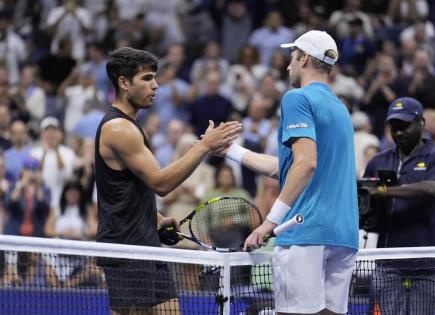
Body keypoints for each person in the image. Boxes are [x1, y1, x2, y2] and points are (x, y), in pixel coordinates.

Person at [217, 30, 359, 314]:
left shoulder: (296, 99)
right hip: (343, 234)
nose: (287, 66)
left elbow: (305, 164)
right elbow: (288, 167)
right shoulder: (340, 109)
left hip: (304, 230)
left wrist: (269, 222)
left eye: (292, 58)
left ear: (304, 59)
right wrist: (230, 151)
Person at [95, 47, 241, 314]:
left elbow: (124, 189)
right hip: (127, 249)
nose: (156, 85)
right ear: (124, 83)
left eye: (155, 78)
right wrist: (204, 145)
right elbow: (160, 183)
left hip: (146, 243)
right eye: (147, 78)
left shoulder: (131, 125)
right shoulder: (118, 128)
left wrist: (155, 218)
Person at [363, 97, 435, 314]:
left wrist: (384, 191)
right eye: (394, 127)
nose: (398, 132)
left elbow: (430, 189)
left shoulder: (433, 156)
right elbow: (366, 202)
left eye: (404, 126)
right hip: (387, 260)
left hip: (427, 260)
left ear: (421, 123)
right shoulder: (378, 161)